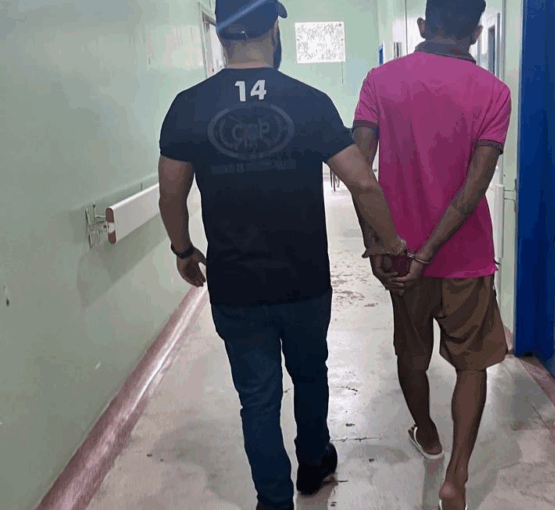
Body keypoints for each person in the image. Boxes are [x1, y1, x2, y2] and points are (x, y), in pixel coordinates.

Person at [157, 2, 407, 509]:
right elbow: (362, 182)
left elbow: (171, 195)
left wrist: (183, 249)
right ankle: (313, 464)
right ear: (273, 30)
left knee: (257, 397)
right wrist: (391, 243)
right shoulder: (309, 101)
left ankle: (273, 500)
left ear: (221, 35)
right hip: (304, 280)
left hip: (235, 285)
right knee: (310, 374)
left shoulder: (188, 106)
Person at [352, 1, 512, 509]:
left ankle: (427, 432)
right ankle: (457, 477)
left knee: (412, 355)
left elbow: (358, 172)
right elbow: (472, 190)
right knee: (472, 364)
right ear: (477, 32)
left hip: (400, 256)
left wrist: (379, 243)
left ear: (424, 26)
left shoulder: (380, 81)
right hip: (466, 259)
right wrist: (431, 254)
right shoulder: (494, 92)